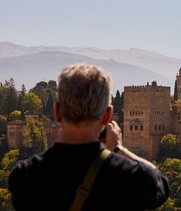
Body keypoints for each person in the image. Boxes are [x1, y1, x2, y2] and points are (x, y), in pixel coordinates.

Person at [8, 63, 170, 210]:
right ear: (107, 116)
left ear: (57, 112)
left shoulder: (24, 177)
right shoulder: (129, 178)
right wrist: (117, 148)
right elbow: (158, 182)